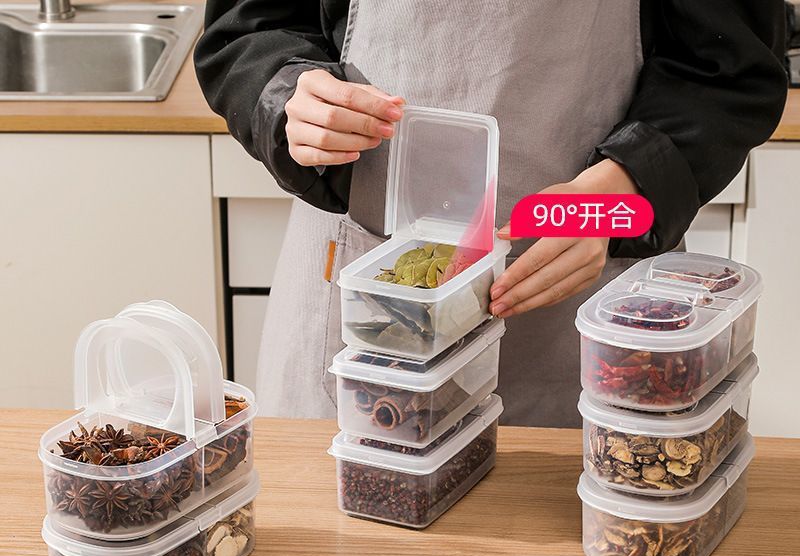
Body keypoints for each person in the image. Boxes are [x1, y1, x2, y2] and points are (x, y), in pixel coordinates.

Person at [195, 0, 787, 426]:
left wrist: (624, 188)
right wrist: (287, 95)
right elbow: (249, 27)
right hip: (360, 291)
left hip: (585, 308)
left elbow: (727, 70)